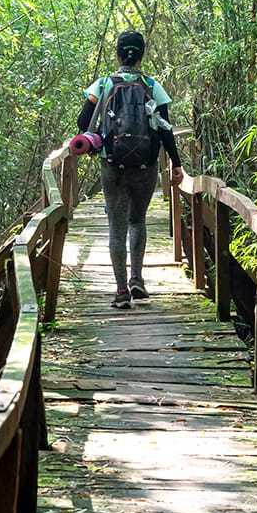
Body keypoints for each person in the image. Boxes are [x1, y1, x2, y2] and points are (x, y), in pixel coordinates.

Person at [77, 30, 184, 309]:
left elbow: (82, 122)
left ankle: (121, 290)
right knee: (138, 220)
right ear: (142, 55)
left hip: (112, 163)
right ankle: (138, 278)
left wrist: (97, 135)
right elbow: (165, 129)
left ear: (118, 53)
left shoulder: (102, 84)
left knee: (116, 225)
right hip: (146, 165)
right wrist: (176, 163)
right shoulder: (151, 85)